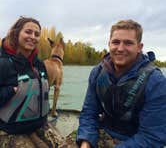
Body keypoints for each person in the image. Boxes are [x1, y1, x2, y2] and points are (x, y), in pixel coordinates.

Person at [76, 19, 166, 148]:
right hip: (105, 132)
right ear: (109, 44)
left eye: (128, 43)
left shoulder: (156, 82)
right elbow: (89, 113)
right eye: (116, 42)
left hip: (136, 140)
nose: (120, 48)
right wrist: (86, 142)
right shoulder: (97, 72)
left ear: (139, 48)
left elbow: (152, 137)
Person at [0, 17, 65, 148]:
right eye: (28, 32)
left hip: (39, 125)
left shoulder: (39, 64)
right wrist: (9, 91)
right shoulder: (3, 63)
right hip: (9, 131)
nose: (33, 37)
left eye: (37, 34)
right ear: (16, 33)